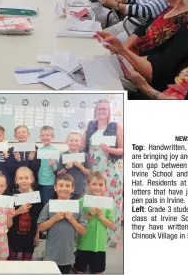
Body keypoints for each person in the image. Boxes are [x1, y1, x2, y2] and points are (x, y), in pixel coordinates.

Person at [81, 99, 123, 248]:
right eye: (99, 109)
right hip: (93, 170)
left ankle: (110, 238)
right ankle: (91, 235)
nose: (102, 111)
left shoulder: (116, 126)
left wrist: (111, 150)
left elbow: (123, 149)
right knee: (92, 201)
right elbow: (82, 148)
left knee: (110, 204)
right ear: (95, 111)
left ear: (109, 111)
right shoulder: (90, 126)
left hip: (111, 171)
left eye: (105, 109)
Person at [37, 173, 87, 274]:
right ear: (55, 187)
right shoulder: (49, 205)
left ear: (73, 189)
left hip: (67, 254)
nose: (64, 189)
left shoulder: (77, 207)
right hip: (51, 253)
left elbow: (83, 231)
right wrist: (54, 219)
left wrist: (72, 220)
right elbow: (41, 227)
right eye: (61, 185)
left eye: (68, 186)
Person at [74, 172, 116, 274]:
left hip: (99, 245)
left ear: (105, 187)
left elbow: (112, 226)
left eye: (101, 184)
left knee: (99, 272)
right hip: (83, 244)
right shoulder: (80, 202)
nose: (97, 187)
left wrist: (101, 217)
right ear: (88, 185)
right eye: (94, 184)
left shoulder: (108, 204)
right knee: (79, 270)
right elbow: (75, 222)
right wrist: (88, 215)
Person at [7, 167, 42, 261]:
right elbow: (8, 217)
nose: (24, 181)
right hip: (14, 235)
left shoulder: (36, 197)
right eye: (21, 178)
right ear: (16, 180)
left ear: (32, 179)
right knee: (11, 259)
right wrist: (18, 211)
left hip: (30, 236)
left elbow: (39, 218)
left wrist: (37, 235)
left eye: (26, 178)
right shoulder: (12, 196)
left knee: (27, 261)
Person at [57, 132, 91, 199]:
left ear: (80, 142)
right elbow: (58, 173)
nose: (74, 143)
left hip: (79, 188)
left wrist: (81, 167)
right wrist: (66, 167)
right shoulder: (63, 155)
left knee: (77, 207)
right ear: (67, 142)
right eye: (71, 140)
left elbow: (89, 173)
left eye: (76, 140)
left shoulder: (84, 155)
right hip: (65, 188)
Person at [6, 125, 40, 191]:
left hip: (31, 183)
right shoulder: (12, 150)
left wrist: (31, 159)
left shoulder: (35, 148)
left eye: (23, 132)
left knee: (31, 200)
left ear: (28, 134)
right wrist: (17, 160)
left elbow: (37, 168)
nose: (21, 134)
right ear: (15, 136)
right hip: (17, 183)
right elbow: (10, 168)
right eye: (18, 133)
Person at [37, 126, 58, 207]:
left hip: (49, 183)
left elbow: (56, 168)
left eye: (47, 135)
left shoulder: (55, 150)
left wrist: (52, 165)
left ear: (52, 137)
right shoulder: (39, 150)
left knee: (47, 205)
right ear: (40, 137)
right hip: (40, 182)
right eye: (42, 135)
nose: (45, 137)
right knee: (41, 205)